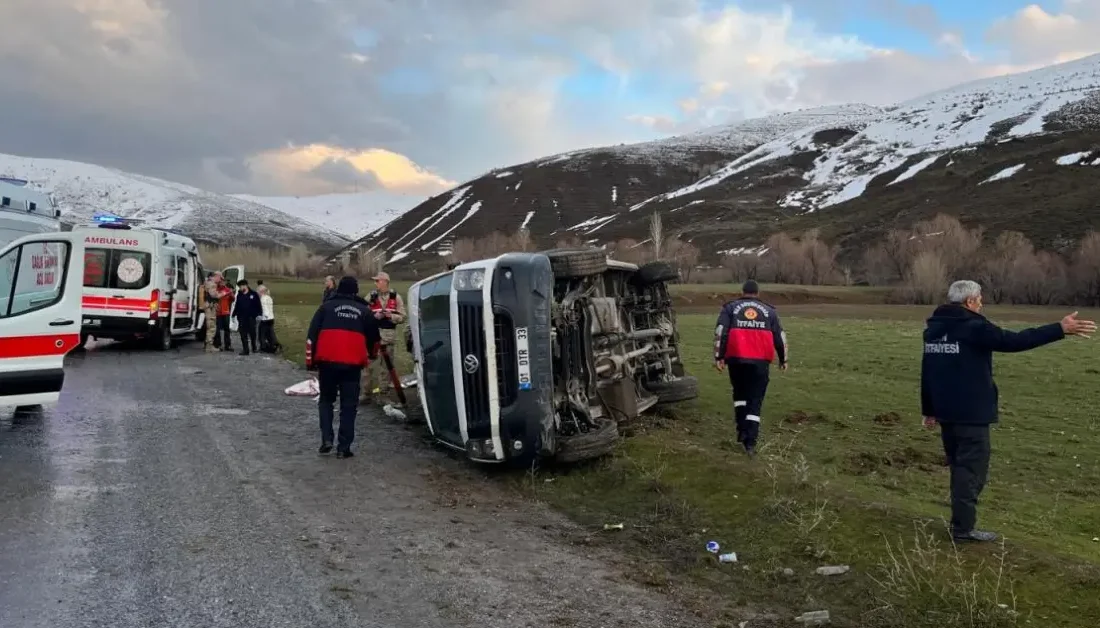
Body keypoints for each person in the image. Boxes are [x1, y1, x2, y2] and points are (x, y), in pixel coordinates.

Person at [920, 280, 1095, 543]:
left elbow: (928, 370)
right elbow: (1013, 341)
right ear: (969, 302)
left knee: (960, 469)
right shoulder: (973, 326)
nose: (982, 303)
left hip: (947, 412)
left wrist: (929, 409)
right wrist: (1059, 329)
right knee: (971, 472)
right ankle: (963, 530)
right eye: (979, 299)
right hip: (971, 414)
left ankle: (961, 523)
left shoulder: (935, 327)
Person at [306, 276, 382, 458]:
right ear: (355, 291)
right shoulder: (364, 311)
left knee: (326, 400)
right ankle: (344, 447)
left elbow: (311, 335)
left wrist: (310, 361)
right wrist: (372, 354)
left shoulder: (325, 307)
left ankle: (326, 438)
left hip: (327, 362)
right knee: (349, 406)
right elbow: (375, 340)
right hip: (352, 365)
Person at [713, 280, 788, 457]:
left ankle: (741, 430)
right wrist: (784, 359)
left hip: (736, 360)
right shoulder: (769, 311)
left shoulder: (730, 308)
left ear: (742, 291)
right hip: (760, 361)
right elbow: (780, 337)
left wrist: (719, 356)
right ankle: (750, 442)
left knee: (739, 395)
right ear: (758, 293)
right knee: (755, 399)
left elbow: (720, 332)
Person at [361, 271, 406, 404]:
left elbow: (403, 317)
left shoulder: (396, 298)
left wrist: (390, 316)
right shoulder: (371, 296)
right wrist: (373, 316)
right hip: (372, 336)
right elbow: (362, 312)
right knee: (367, 366)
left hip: (388, 337)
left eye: (377, 281)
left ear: (385, 281)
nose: (375, 283)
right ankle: (365, 393)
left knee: (386, 368)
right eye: (375, 281)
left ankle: (383, 395)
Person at [233, 279, 262, 355]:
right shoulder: (239, 294)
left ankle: (254, 347)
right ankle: (246, 350)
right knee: (243, 334)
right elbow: (237, 305)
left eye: (241, 286)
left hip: (251, 317)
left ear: (245, 286)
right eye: (239, 287)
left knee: (252, 333)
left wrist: (259, 314)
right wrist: (233, 314)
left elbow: (258, 305)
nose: (240, 288)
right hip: (242, 317)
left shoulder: (253, 294)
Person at [214, 275, 235, 351]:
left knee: (227, 329)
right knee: (217, 330)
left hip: (226, 312)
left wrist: (231, 294)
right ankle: (218, 345)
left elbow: (232, 299)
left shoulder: (228, 289)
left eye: (224, 281)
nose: (223, 282)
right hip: (218, 313)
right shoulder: (216, 289)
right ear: (219, 282)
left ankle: (228, 345)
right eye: (221, 281)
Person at [257, 284, 279, 353]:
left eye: (258, 292)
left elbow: (264, 308)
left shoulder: (262, 299)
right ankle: (274, 345)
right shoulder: (269, 298)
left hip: (265, 319)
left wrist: (264, 316)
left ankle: (263, 347)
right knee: (271, 333)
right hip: (271, 318)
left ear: (261, 292)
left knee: (261, 334)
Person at [202, 272, 220, 353]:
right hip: (210, 307)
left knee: (209, 326)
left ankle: (208, 344)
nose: (219, 279)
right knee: (211, 326)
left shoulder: (206, 283)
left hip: (208, 306)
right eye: (218, 277)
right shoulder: (212, 284)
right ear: (214, 277)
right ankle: (209, 346)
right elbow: (213, 295)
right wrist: (222, 294)